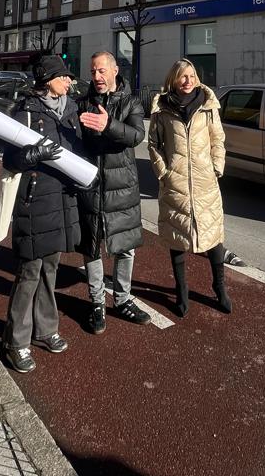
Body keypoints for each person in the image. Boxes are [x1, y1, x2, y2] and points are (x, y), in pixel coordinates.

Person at [2, 54, 83, 373]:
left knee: (51, 268)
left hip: (62, 200)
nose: (69, 81)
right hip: (34, 200)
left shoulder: (72, 108)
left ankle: (46, 329)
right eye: (64, 76)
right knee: (29, 272)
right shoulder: (25, 110)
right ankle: (16, 342)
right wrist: (33, 154)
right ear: (48, 79)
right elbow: (9, 158)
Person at [149, 58, 231, 317]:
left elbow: (218, 138)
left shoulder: (208, 106)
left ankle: (219, 287)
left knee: (214, 238)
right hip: (176, 183)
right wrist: (163, 172)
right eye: (183, 76)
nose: (188, 81)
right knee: (177, 238)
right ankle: (181, 290)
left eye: (192, 75)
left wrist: (217, 166)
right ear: (174, 79)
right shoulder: (162, 108)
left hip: (205, 182)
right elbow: (153, 144)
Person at [77, 51, 149, 334]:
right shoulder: (82, 102)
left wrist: (109, 125)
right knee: (92, 245)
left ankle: (122, 299)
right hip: (91, 185)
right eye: (93, 71)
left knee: (125, 247)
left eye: (102, 71)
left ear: (115, 70)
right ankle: (97, 302)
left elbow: (136, 136)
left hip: (123, 188)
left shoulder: (131, 102)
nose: (97, 77)